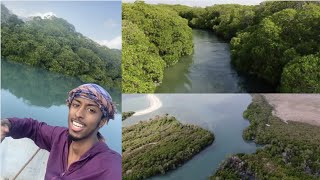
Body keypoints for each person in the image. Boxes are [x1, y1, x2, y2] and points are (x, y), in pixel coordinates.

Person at [0, 83, 121, 180]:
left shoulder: (111, 166)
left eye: (91, 110)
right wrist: (6, 125)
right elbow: (34, 128)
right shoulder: (60, 137)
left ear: (102, 121)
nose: (79, 114)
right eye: (76, 105)